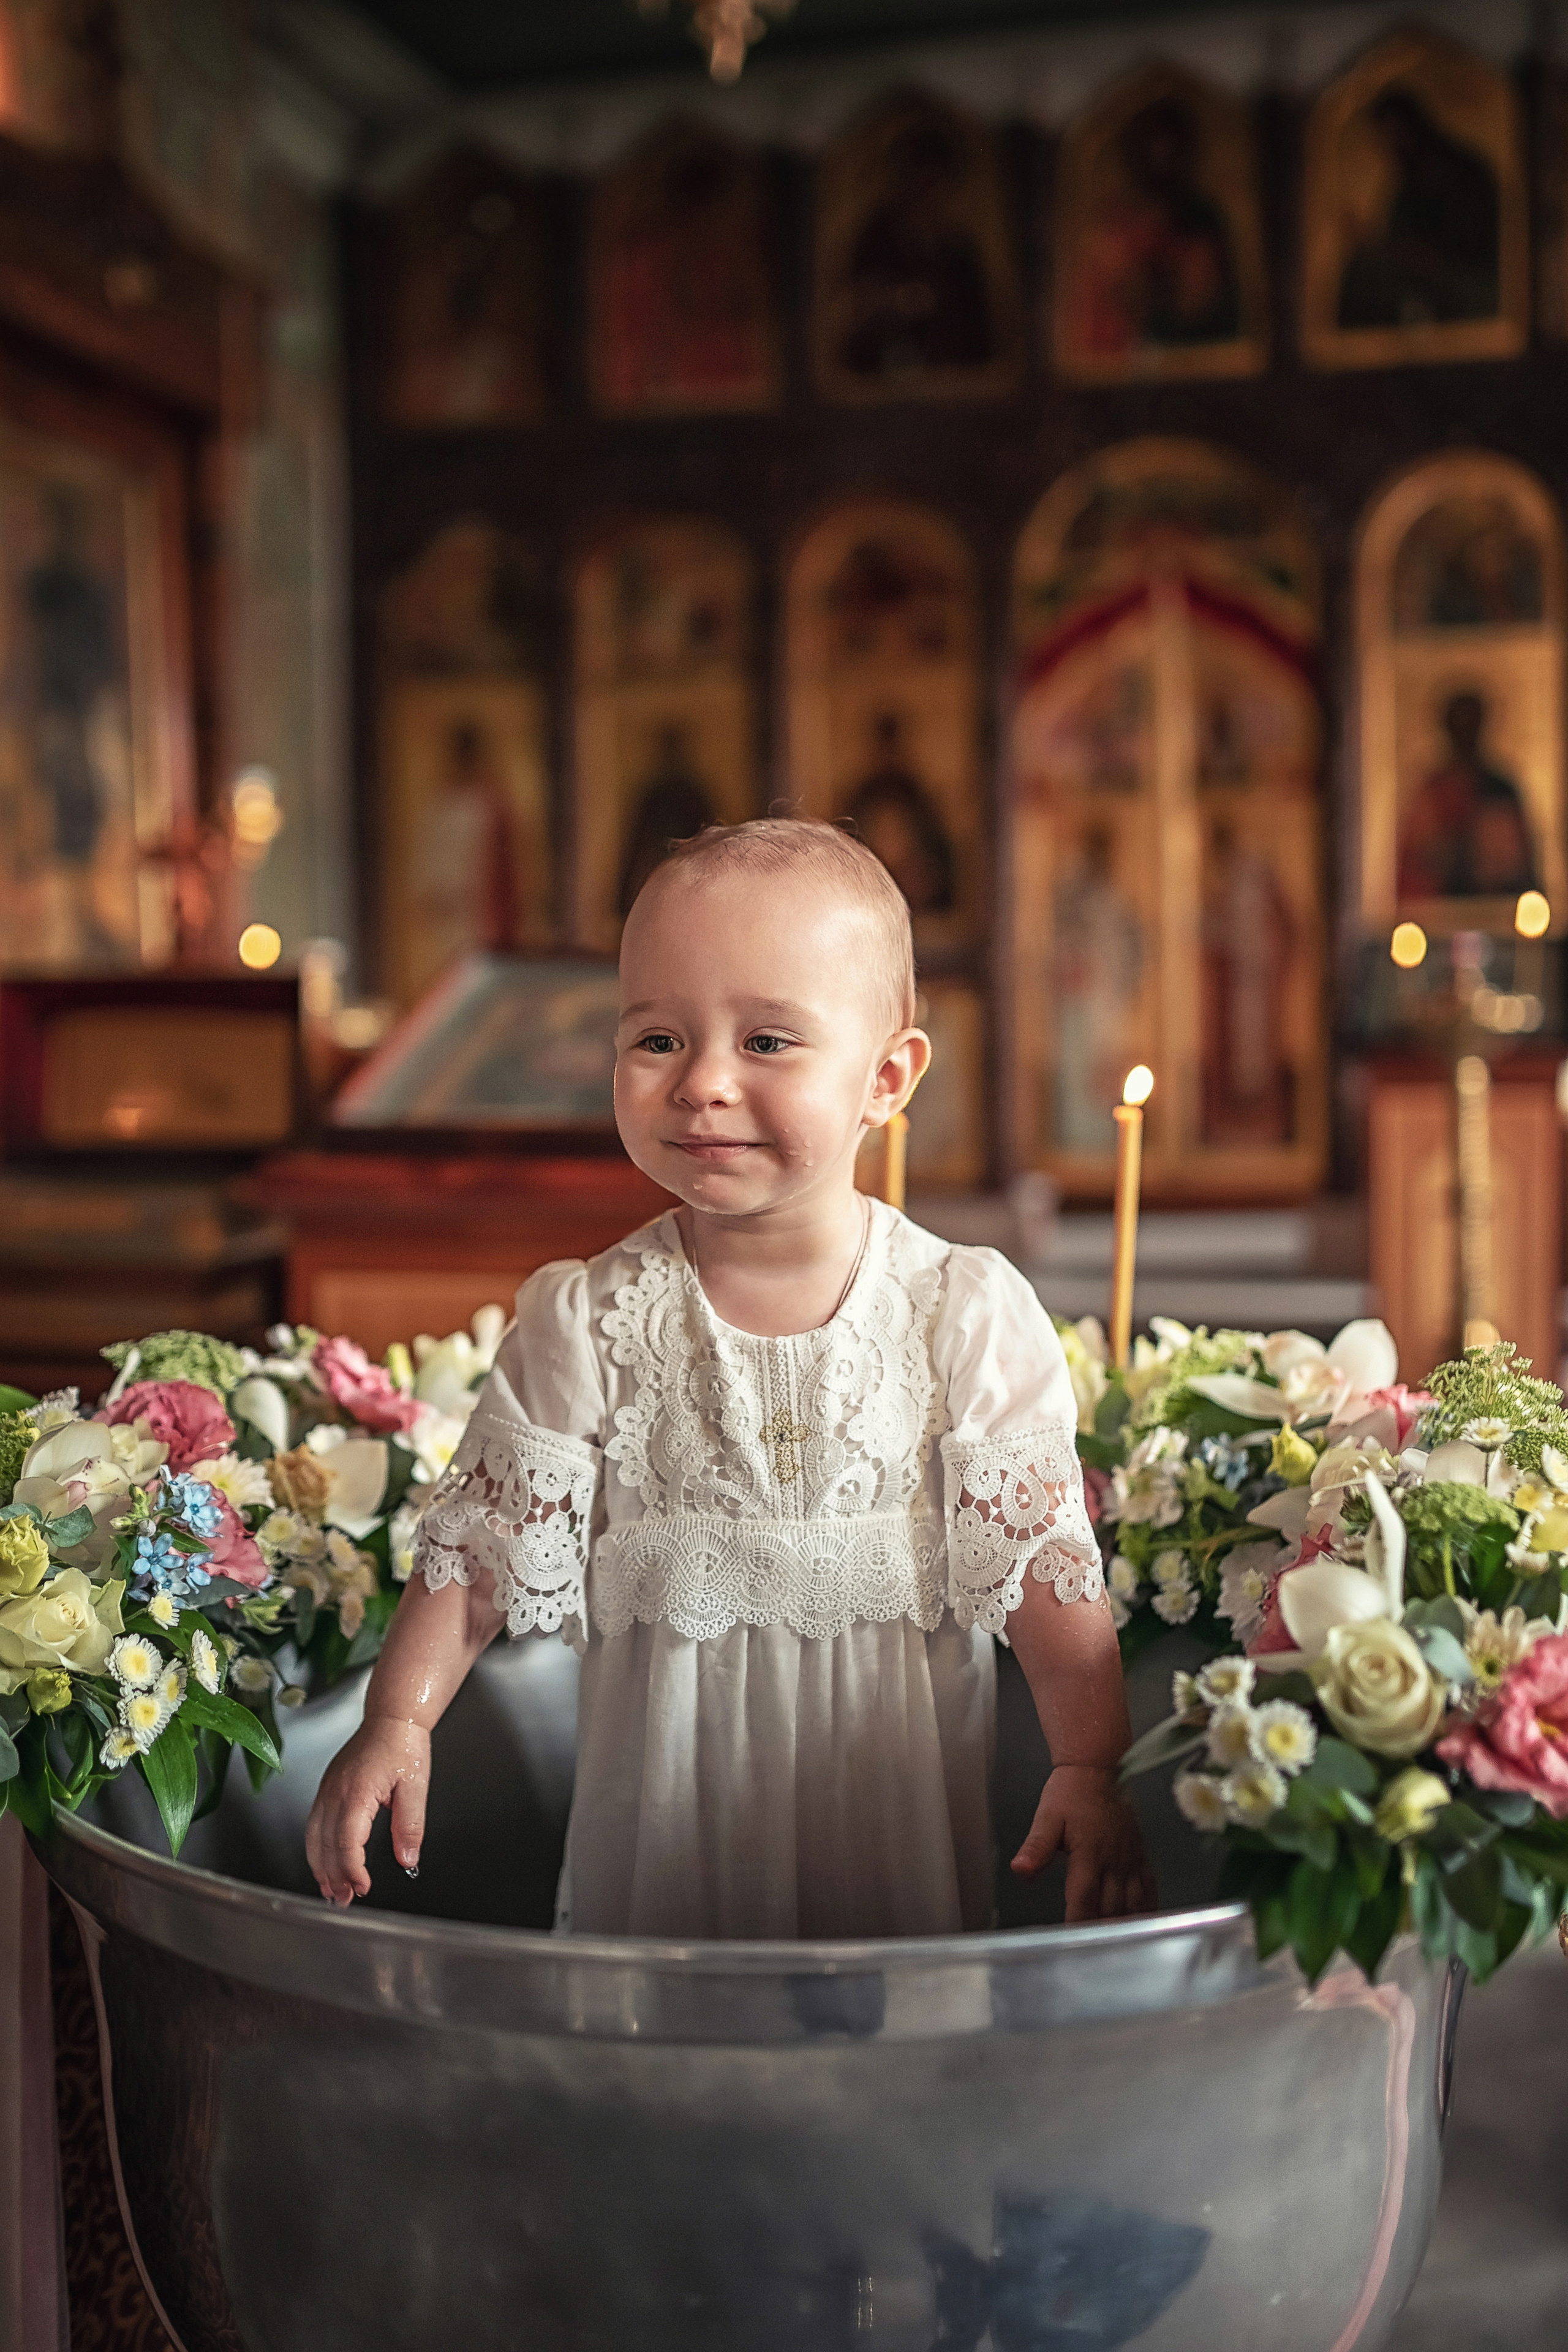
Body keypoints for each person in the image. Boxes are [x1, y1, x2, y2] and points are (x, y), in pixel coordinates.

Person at [307, 818, 1152, 1939]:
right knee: (666, 2066)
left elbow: (1049, 1576)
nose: (701, 1083)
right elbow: (478, 1563)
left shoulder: (960, 1312)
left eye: (766, 1042)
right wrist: (399, 1724)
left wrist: (1088, 1766)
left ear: (886, 1077)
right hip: (663, 1833)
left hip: (884, 1820)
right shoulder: (588, 1318)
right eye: (656, 1039)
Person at [1395, 688, 1537, 902]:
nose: (1465, 732)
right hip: (1441, 909)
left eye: (1471, 723)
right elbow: (1415, 865)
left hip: (1494, 908)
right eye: (1458, 724)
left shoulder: (1500, 789)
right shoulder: (1434, 790)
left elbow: (1519, 868)